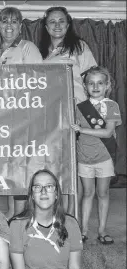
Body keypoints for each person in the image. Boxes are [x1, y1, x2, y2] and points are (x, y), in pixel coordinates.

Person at [39, 6, 97, 214]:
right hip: (51, 115)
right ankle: (58, 214)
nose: (57, 25)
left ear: (68, 23)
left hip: (77, 113)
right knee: (57, 167)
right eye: (52, 22)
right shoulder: (40, 51)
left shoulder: (79, 47)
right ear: (46, 26)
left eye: (61, 21)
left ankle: (73, 217)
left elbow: (93, 81)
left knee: (74, 168)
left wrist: (94, 116)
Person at [0, 6, 43, 220]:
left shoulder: (27, 48)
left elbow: (39, 79)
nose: (9, 26)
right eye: (5, 21)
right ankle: (11, 211)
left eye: (14, 21)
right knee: (5, 163)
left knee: (20, 164)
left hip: (23, 116)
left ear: (21, 26)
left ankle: (20, 213)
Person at [70, 66, 121, 245]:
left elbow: (108, 133)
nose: (96, 86)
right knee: (87, 194)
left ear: (107, 85)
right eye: (91, 83)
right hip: (84, 157)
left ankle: (102, 230)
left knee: (103, 193)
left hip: (104, 157)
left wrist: (82, 129)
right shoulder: (79, 107)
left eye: (100, 83)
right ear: (85, 87)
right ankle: (83, 231)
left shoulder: (112, 106)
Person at [9, 169, 82, 269]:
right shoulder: (16, 226)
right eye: (37, 187)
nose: (43, 191)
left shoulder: (71, 224)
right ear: (32, 195)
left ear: (56, 194)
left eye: (49, 186)